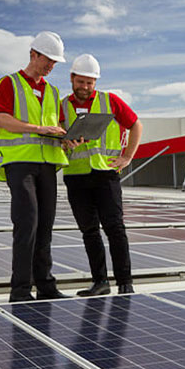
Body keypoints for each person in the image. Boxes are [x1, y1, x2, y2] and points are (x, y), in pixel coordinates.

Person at [0, 31, 71, 302]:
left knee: (46, 225)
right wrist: (38, 129)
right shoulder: (9, 83)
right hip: (20, 163)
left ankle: (46, 285)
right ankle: (21, 290)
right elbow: (0, 119)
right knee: (28, 223)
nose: (51, 66)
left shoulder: (53, 91)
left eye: (55, 62)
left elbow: (56, 127)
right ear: (33, 54)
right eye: (47, 60)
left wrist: (66, 138)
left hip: (48, 164)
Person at [61, 54, 143, 296]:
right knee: (89, 231)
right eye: (81, 82)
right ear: (72, 79)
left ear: (95, 82)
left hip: (106, 174)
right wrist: (65, 144)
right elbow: (58, 137)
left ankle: (125, 282)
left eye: (90, 82)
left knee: (115, 228)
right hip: (76, 176)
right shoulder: (62, 106)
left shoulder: (111, 101)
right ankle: (100, 282)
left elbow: (136, 125)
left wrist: (127, 157)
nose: (85, 87)